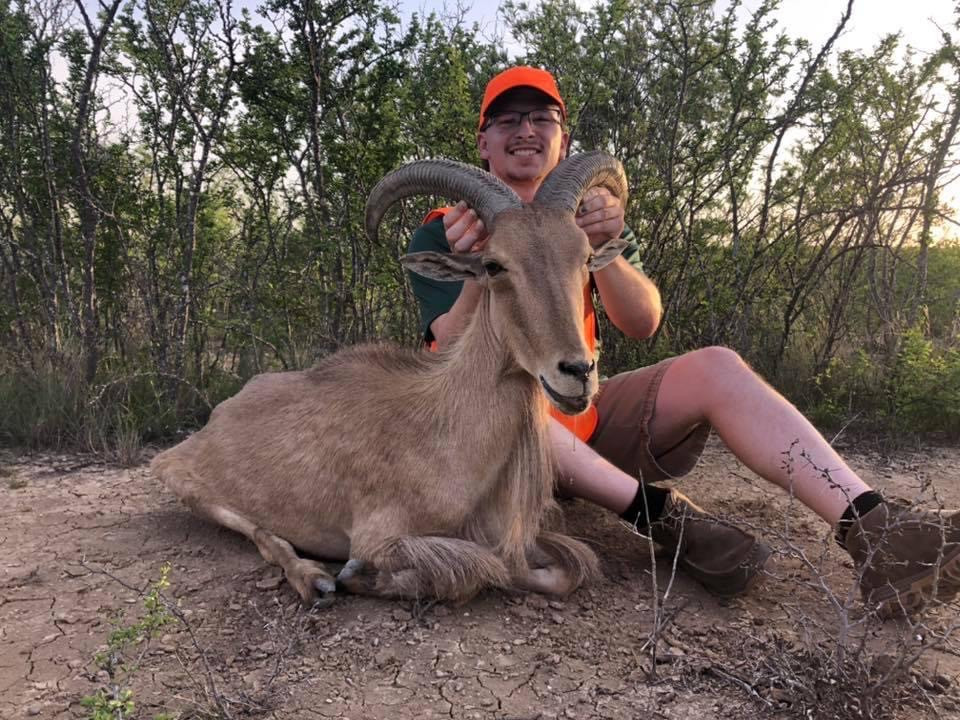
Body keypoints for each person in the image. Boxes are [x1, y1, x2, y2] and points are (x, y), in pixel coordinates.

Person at [407, 66, 960, 615]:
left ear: (564, 139)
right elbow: (447, 346)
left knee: (717, 367)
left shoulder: (588, 221)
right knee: (515, 399)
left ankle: (876, 532)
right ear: (483, 142)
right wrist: (480, 265)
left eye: (541, 117)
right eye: (507, 120)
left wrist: (607, 248)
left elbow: (642, 321)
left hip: (582, 415)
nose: (526, 129)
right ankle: (667, 519)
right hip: (488, 445)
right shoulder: (446, 229)